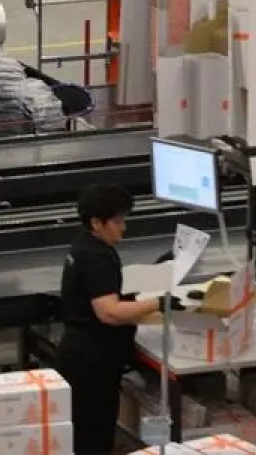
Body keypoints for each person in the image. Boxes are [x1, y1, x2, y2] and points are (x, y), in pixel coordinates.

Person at [58, 185, 165, 455]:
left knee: (85, 430)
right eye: (117, 221)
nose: (123, 228)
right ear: (97, 222)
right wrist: (159, 303)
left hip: (79, 353)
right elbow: (108, 312)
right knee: (93, 435)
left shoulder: (83, 243)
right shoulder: (97, 256)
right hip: (93, 362)